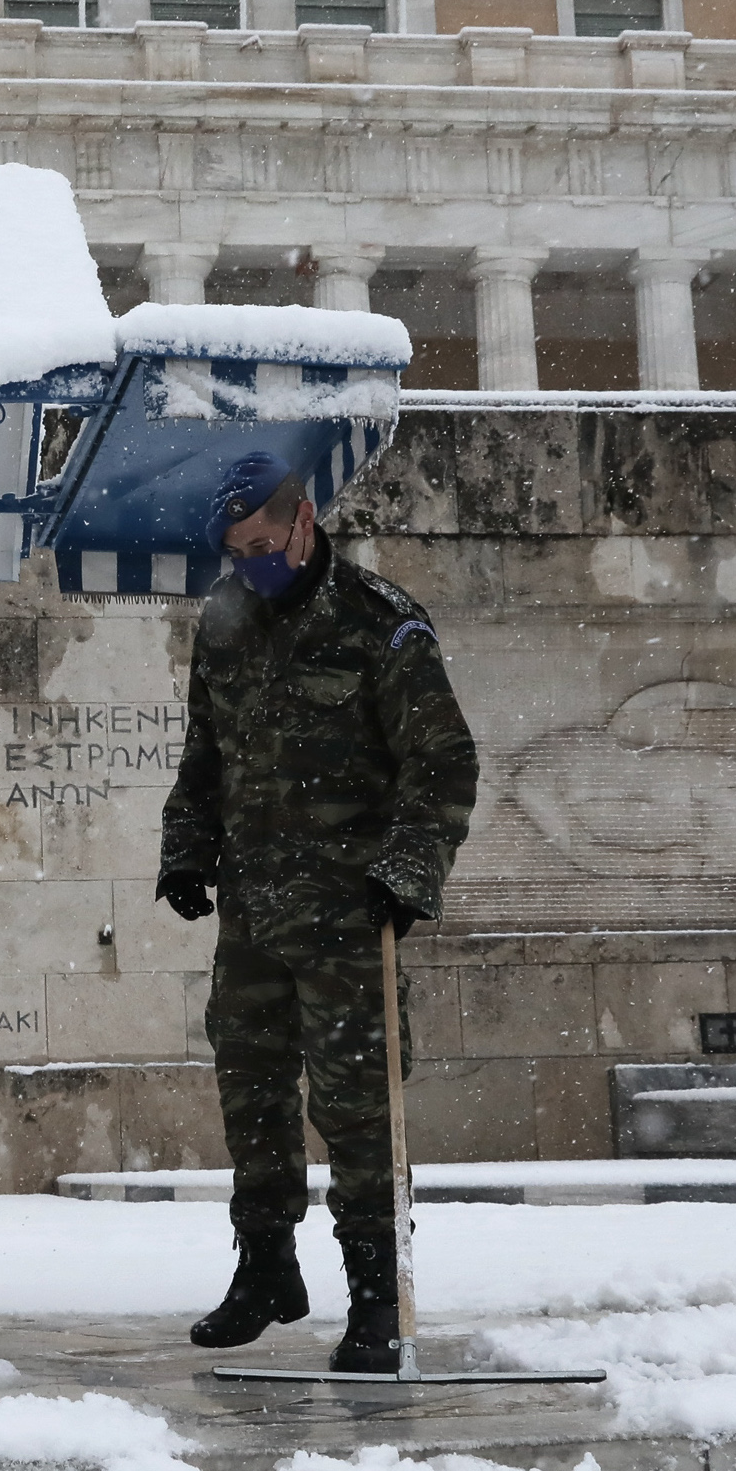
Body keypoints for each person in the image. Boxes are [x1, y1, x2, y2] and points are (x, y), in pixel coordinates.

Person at [157, 453, 479, 1372]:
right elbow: (203, 760)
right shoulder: (223, 627)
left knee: (358, 1109)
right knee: (251, 1094)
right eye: (236, 550)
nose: (252, 561)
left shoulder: (380, 622)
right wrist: (186, 851)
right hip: (253, 912)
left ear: (303, 522)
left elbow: (445, 760)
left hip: (348, 914)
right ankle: (266, 1269)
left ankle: (375, 1294)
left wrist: (408, 871)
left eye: (263, 543)